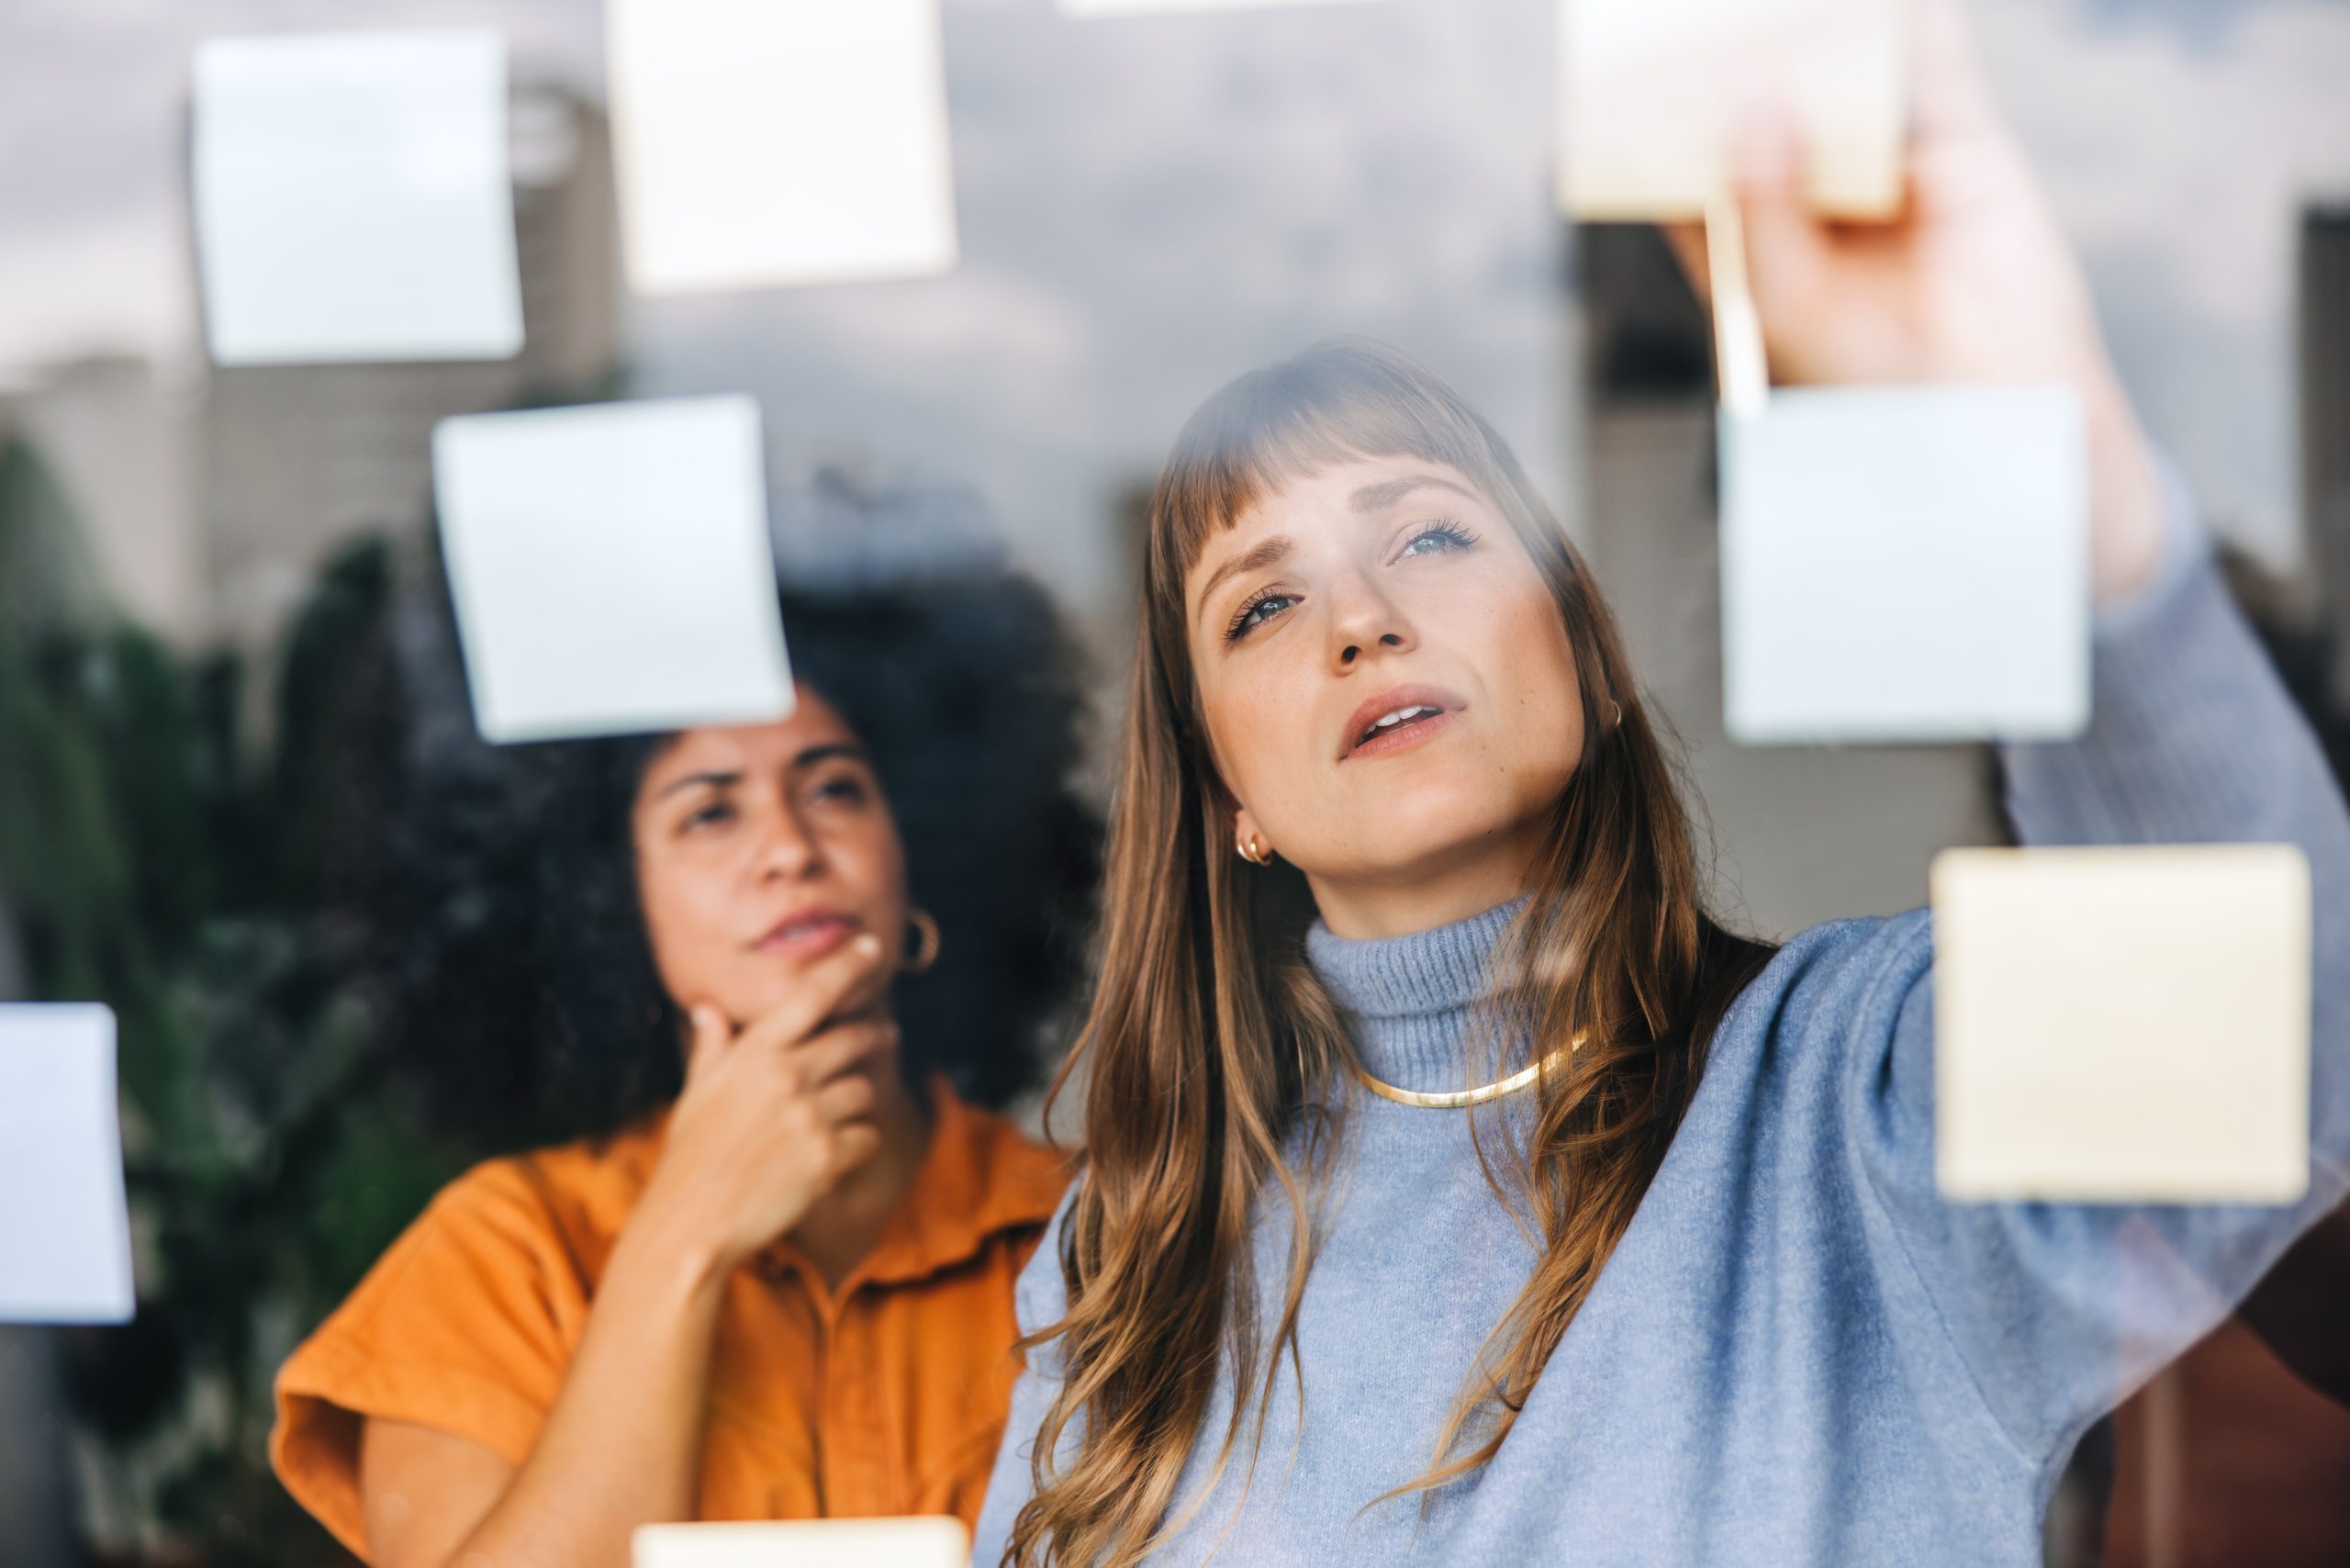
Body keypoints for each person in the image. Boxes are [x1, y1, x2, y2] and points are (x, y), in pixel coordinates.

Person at [970, 6, 2350, 1565]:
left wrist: (2067, 461)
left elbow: (2274, 1020)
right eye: (1263, 605)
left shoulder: (1853, 1095)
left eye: (1427, 532)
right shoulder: (1129, 1250)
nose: (1361, 618)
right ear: (1233, 795)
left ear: (1588, 652)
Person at [269, 559, 1098, 1567]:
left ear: (919, 854)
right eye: (711, 811)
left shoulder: (1096, 1234)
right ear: (611, 909)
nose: (789, 846)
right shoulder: (503, 1258)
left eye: (833, 786)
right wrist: (685, 1234)